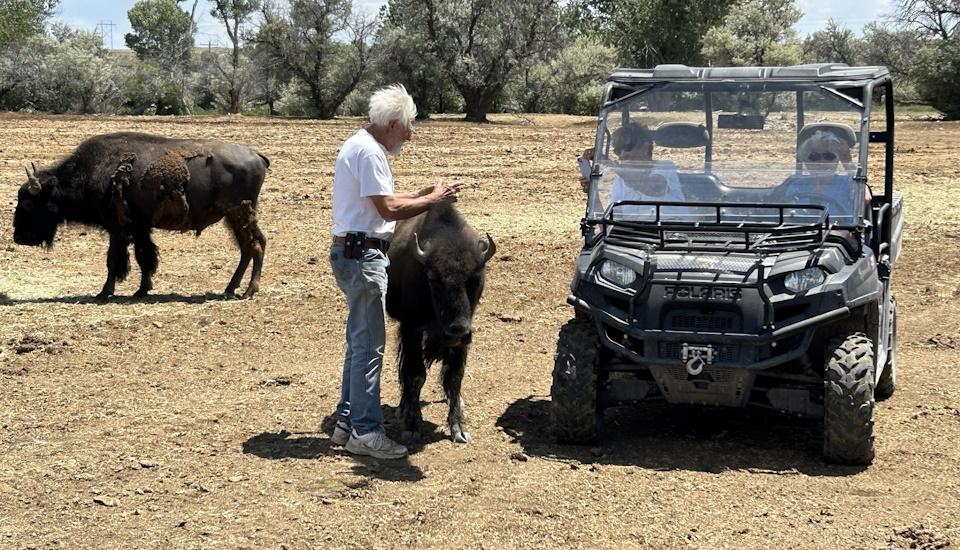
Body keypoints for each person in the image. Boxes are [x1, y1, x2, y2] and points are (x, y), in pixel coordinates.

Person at [328, 84, 458, 460]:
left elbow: (382, 200)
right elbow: (386, 210)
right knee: (369, 348)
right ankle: (366, 434)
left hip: (351, 252)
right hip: (364, 257)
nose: (410, 135)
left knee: (357, 344)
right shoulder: (370, 153)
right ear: (389, 123)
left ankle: (345, 422)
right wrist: (431, 200)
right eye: (407, 126)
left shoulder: (360, 145)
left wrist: (424, 194)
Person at [606, 122, 683, 218]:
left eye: (627, 148)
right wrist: (593, 194)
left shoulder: (665, 167)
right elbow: (614, 219)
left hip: (672, 229)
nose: (622, 155)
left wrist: (612, 166)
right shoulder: (620, 179)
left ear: (645, 147)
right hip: (636, 231)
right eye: (618, 151)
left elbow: (653, 189)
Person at [783, 129, 860, 219]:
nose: (822, 162)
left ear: (837, 160)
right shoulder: (797, 186)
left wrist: (847, 161)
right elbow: (788, 218)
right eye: (814, 157)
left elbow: (865, 199)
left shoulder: (848, 183)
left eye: (829, 156)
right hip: (803, 232)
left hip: (840, 231)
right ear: (805, 160)